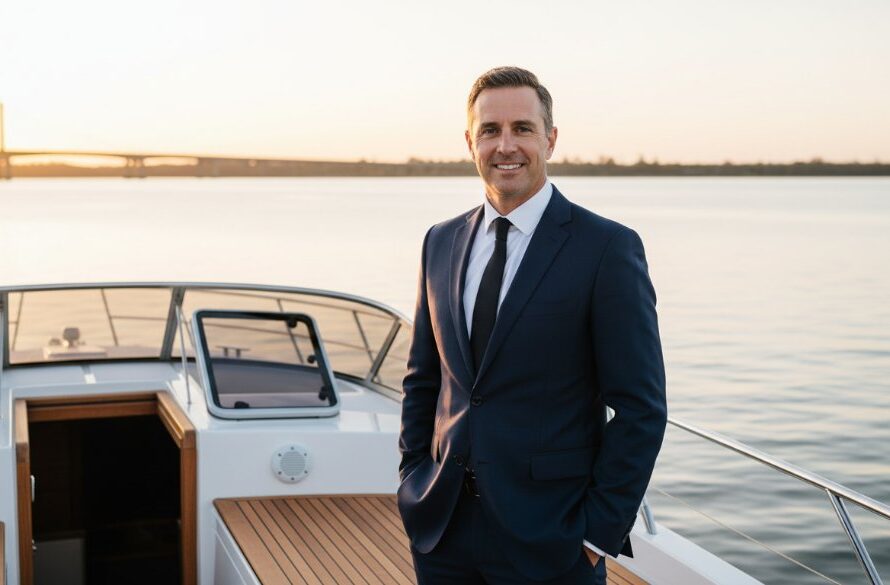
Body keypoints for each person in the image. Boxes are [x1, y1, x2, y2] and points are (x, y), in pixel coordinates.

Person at [397, 66, 667, 584]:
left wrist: (595, 535)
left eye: (522, 129)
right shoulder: (440, 241)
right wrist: (413, 476)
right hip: (442, 531)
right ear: (470, 142)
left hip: (554, 539)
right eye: (490, 131)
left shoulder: (606, 248)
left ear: (551, 139)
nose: (506, 146)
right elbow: (423, 378)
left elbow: (641, 407)